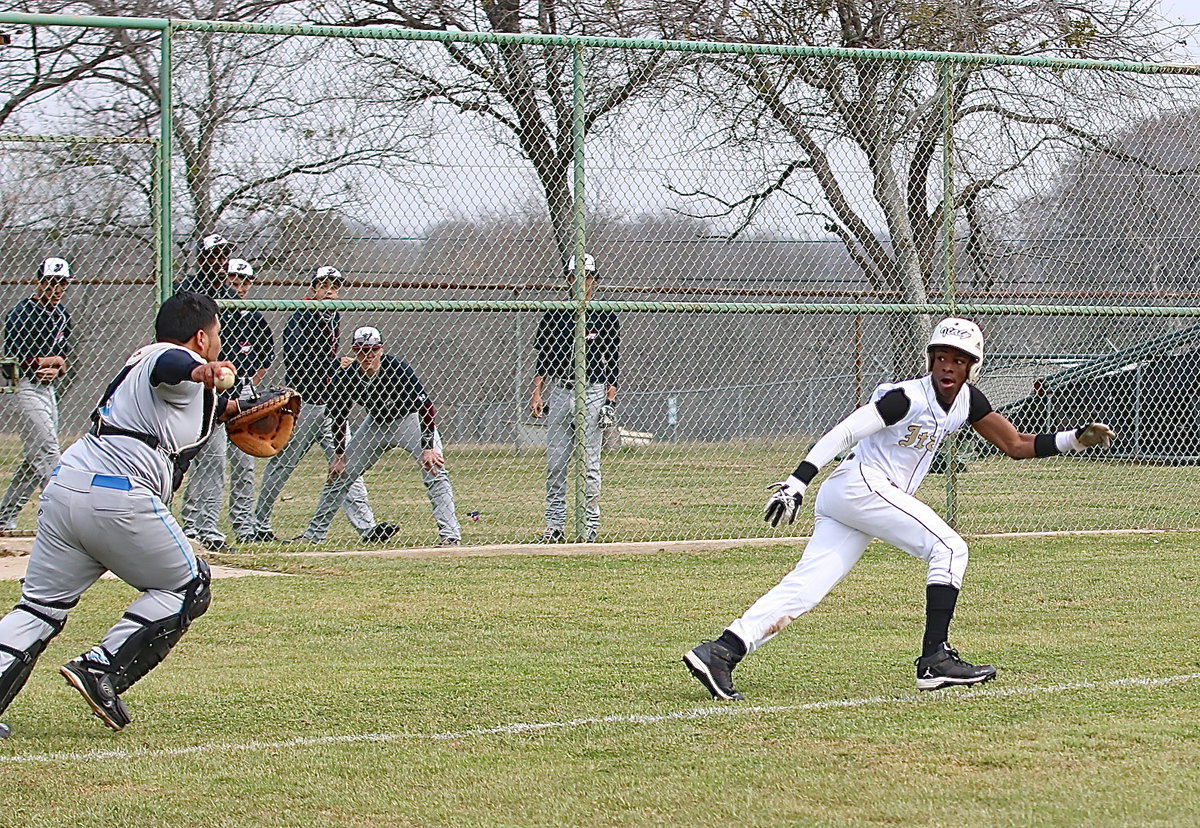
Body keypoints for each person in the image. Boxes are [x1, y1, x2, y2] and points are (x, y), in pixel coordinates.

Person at [683, 317, 1117, 701]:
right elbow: (845, 431)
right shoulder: (906, 398)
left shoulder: (968, 401)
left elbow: (1016, 444)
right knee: (950, 549)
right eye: (941, 356)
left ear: (972, 366)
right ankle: (934, 659)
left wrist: (1074, 439)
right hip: (860, 486)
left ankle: (721, 651)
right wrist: (797, 481)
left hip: (855, 498)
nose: (948, 365)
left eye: (959, 359)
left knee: (806, 588)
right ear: (930, 360)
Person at [0, 292, 237, 732]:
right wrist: (201, 369)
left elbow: (193, 405)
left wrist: (236, 407)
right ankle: (101, 668)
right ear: (201, 338)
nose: (219, 341)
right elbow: (175, 368)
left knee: (39, 609)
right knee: (189, 585)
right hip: (117, 495)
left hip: (68, 486)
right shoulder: (172, 358)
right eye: (217, 334)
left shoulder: (144, 360)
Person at [249, 266, 390, 543]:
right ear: (313, 288)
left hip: (331, 403)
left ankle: (367, 527)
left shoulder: (332, 313)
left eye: (334, 285)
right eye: (324, 284)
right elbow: (295, 359)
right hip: (306, 403)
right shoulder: (302, 315)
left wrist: (335, 371)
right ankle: (259, 524)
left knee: (347, 462)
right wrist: (334, 365)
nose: (329, 290)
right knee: (283, 465)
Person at [294, 326, 461, 546]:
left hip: (410, 419)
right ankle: (314, 535)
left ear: (381, 349)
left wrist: (428, 447)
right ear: (354, 350)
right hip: (376, 423)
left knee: (435, 469)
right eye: (362, 350)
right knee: (340, 475)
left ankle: (450, 535)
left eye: (373, 349)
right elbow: (338, 417)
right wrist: (340, 455)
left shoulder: (397, 369)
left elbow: (426, 408)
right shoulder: (346, 376)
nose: (368, 355)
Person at [529, 254, 620, 543]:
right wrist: (537, 393)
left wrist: (609, 401)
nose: (581, 282)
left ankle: (589, 527)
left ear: (595, 279)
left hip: (592, 391)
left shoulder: (604, 316)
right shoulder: (554, 315)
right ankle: (555, 526)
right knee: (556, 463)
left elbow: (613, 363)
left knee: (590, 465)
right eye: (574, 276)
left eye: (587, 276)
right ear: (567, 279)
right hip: (561, 390)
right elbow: (543, 359)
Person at [178, 234, 243, 552]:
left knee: (215, 459)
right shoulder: (186, 294)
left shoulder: (231, 297)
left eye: (224, 255)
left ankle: (206, 529)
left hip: (218, 386)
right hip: (189, 384)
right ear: (201, 258)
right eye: (214, 255)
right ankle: (185, 526)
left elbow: (248, 341)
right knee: (182, 458)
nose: (219, 261)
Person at [0, 257, 73, 533]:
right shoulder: (21, 314)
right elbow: (11, 361)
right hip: (21, 386)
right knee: (48, 453)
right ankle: (60, 521)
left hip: (48, 388)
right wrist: (44, 362)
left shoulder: (62, 315)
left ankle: (4, 517)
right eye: (50, 282)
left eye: (61, 283)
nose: (55, 288)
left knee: (34, 459)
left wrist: (54, 365)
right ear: (38, 282)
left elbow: (64, 358)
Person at [218, 259, 274, 542]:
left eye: (245, 280)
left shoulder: (253, 317)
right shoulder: (215, 313)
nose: (239, 284)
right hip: (215, 394)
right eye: (234, 279)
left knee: (244, 463)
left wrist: (253, 381)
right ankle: (200, 527)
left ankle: (243, 526)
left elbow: (267, 353)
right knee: (212, 463)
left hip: (243, 393)